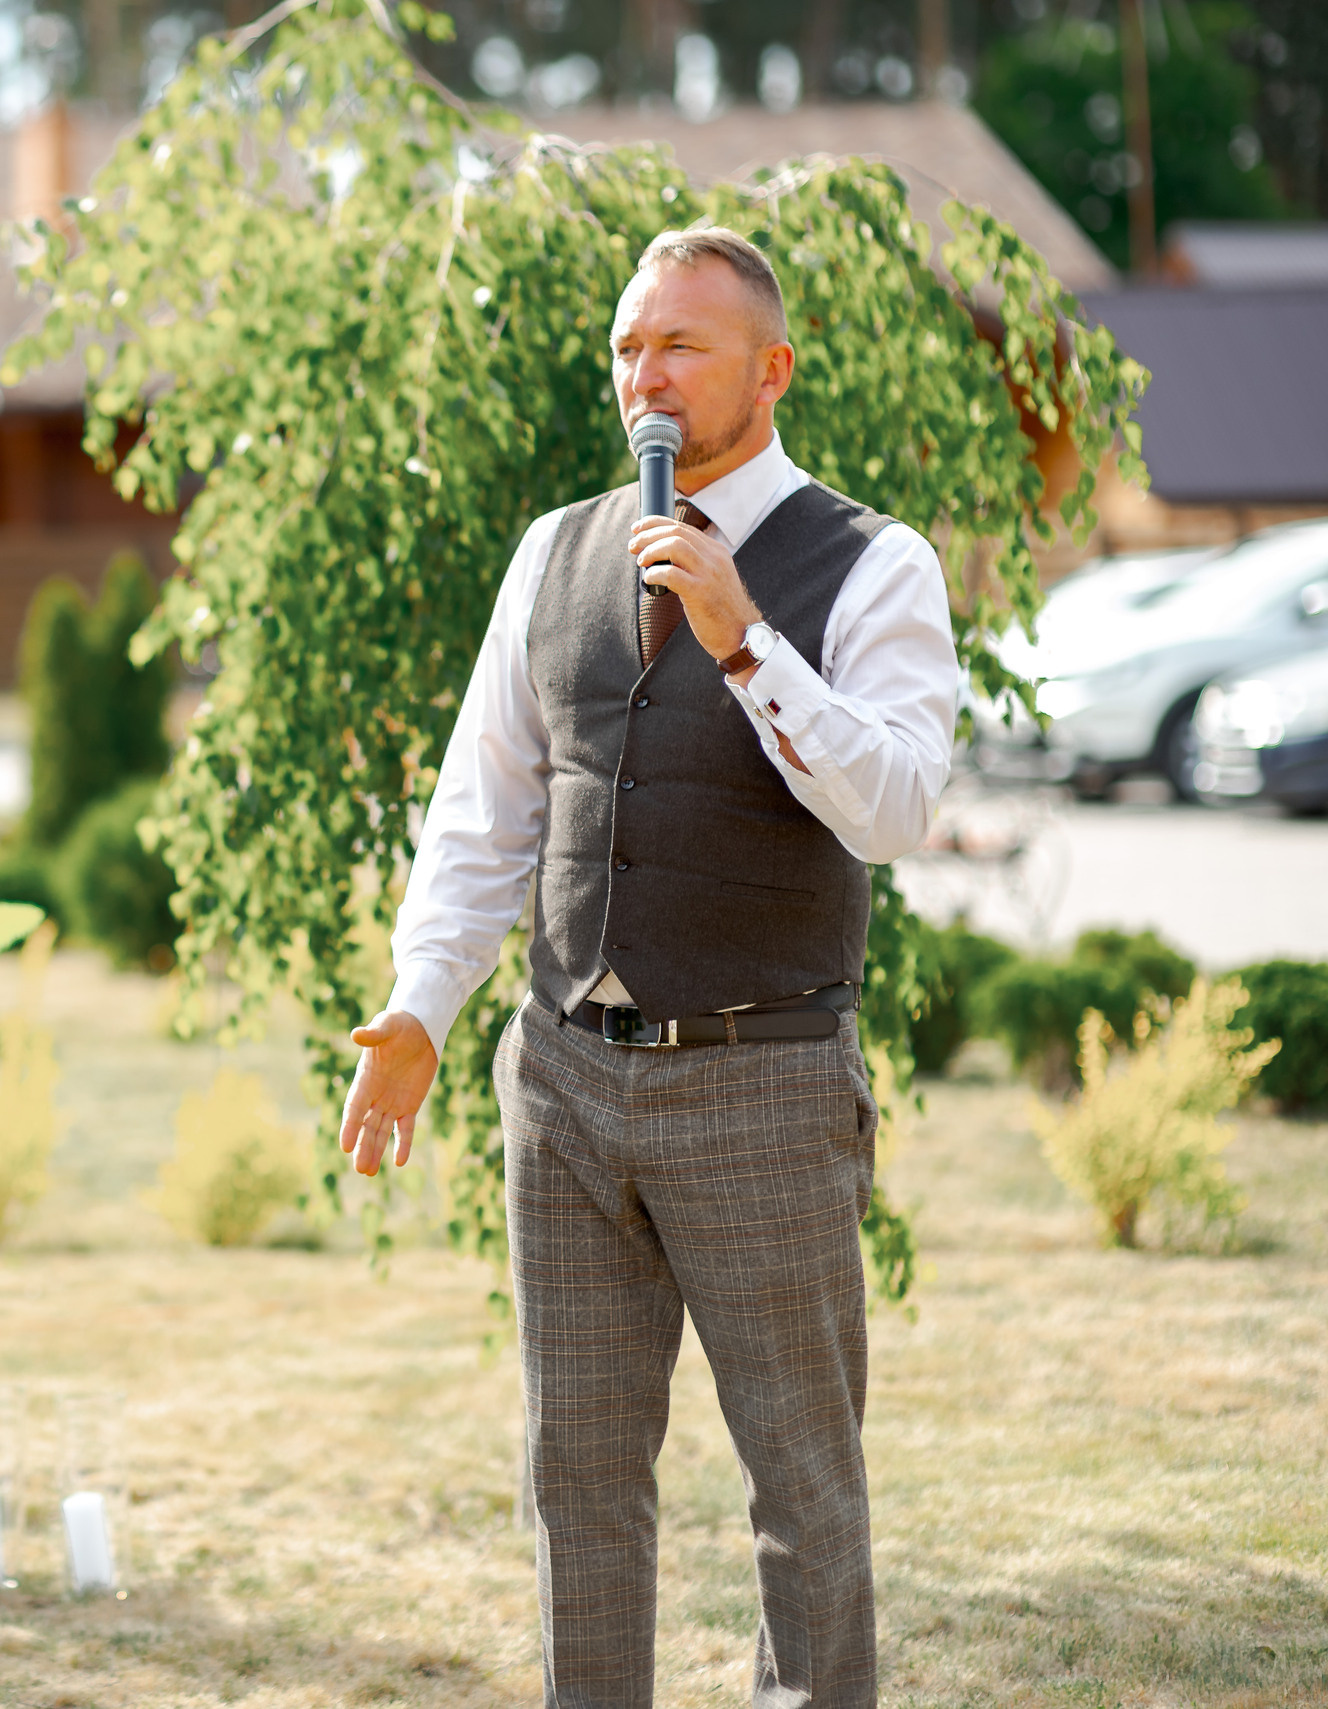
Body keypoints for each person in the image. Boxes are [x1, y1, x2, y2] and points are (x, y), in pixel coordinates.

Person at [339, 228, 955, 1706]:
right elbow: (485, 811)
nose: (646, 376)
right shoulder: (554, 549)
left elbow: (897, 809)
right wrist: (424, 1005)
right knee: (581, 1477)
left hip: (762, 1081)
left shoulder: (874, 561)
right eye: (628, 346)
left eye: (680, 344)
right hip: (561, 1083)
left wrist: (744, 639)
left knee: (804, 1491)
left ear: (771, 368)